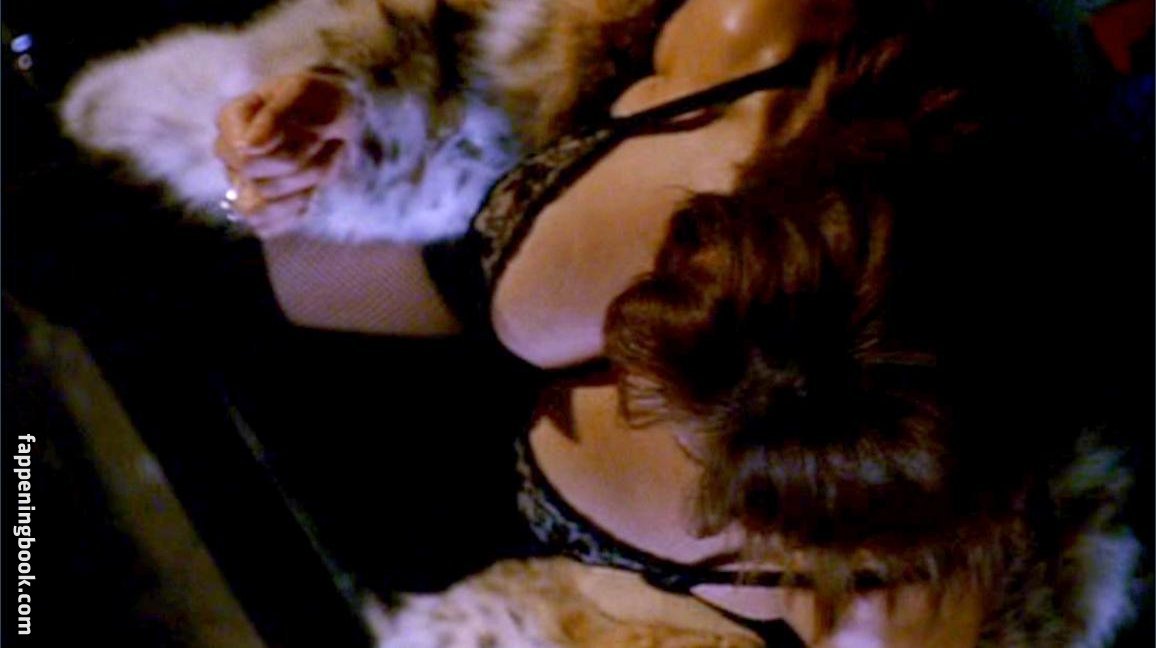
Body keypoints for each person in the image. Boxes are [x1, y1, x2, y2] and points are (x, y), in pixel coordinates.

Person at [74, 0, 1144, 645]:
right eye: (648, 335)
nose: (621, 399)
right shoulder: (756, 45)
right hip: (252, 277)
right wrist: (340, 95)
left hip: (372, 546)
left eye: (698, 446)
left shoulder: (915, 600)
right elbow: (448, 21)